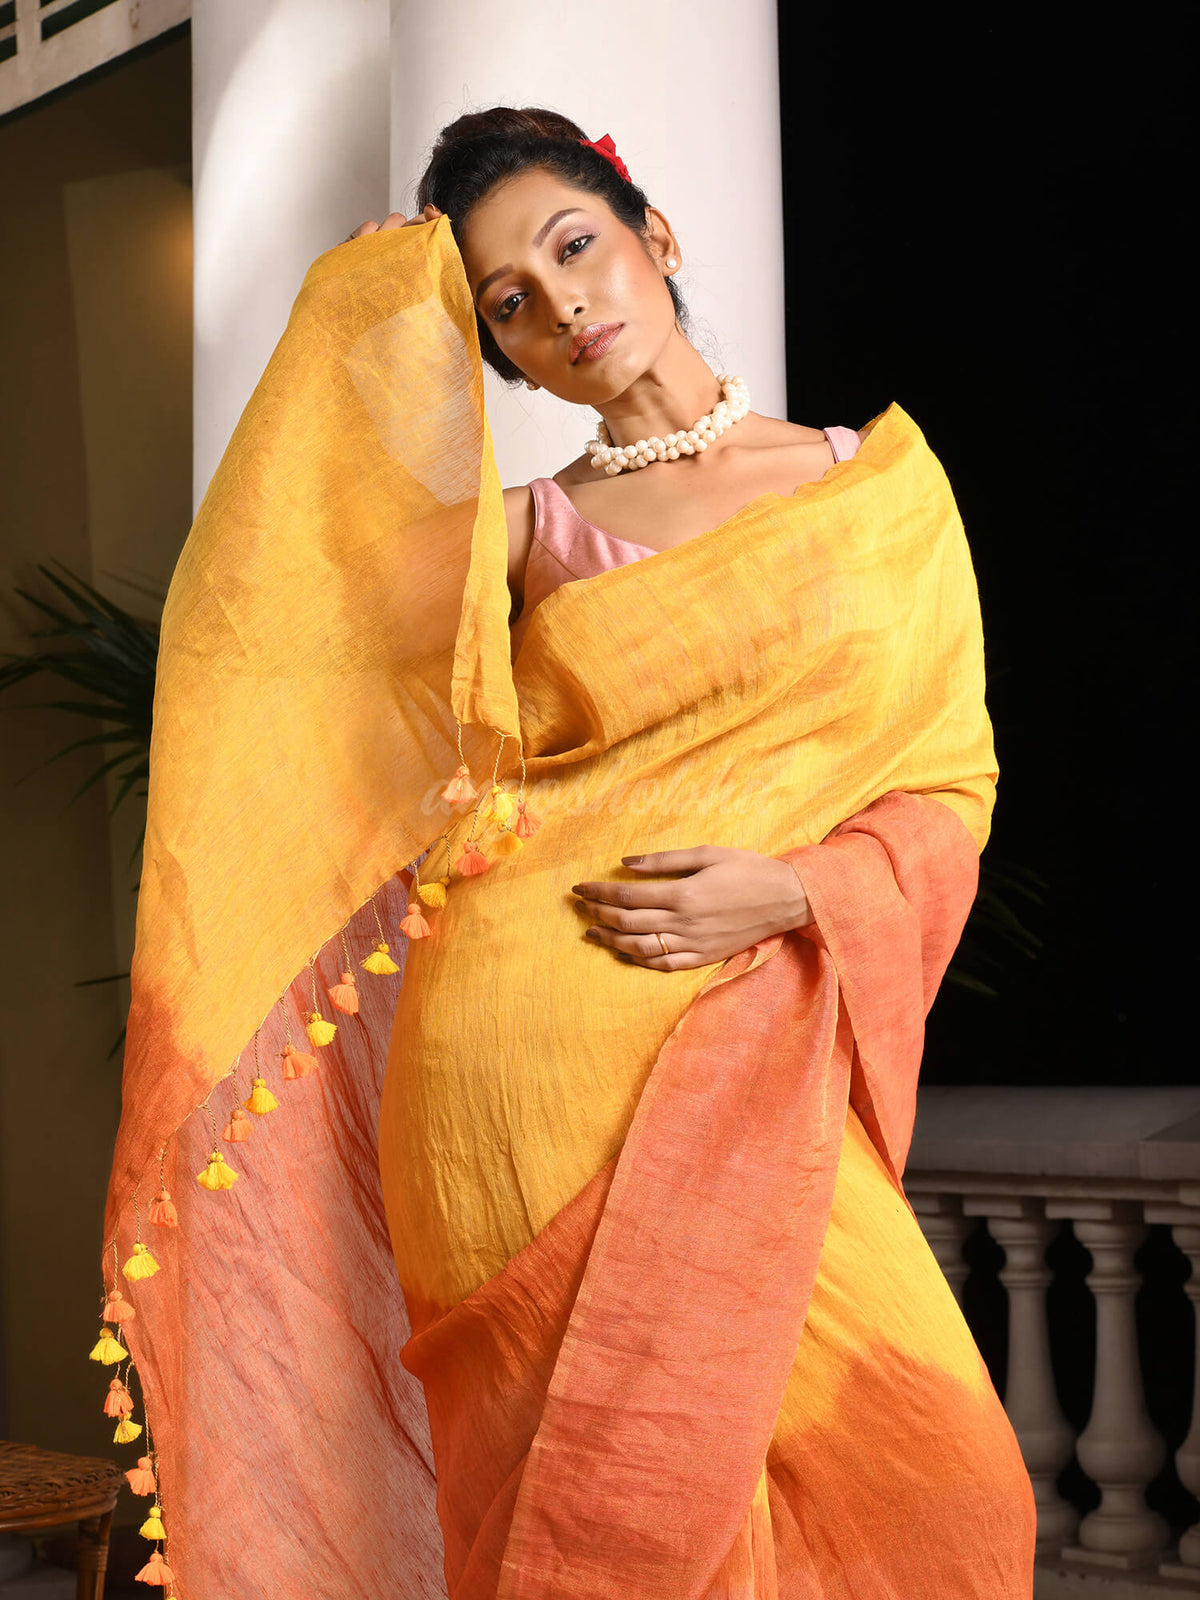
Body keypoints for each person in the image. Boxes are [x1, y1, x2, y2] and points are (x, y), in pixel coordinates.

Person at [98, 106, 1037, 1599]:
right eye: (508, 304)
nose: (563, 305)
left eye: (577, 245)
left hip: (747, 1049)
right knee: (595, 1523)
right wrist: (363, 334)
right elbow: (272, 630)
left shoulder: (874, 492)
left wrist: (797, 890)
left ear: (654, 237)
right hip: (511, 1080)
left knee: (946, 1495)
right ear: (505, 356)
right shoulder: (523, 535)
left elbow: (950, 784)